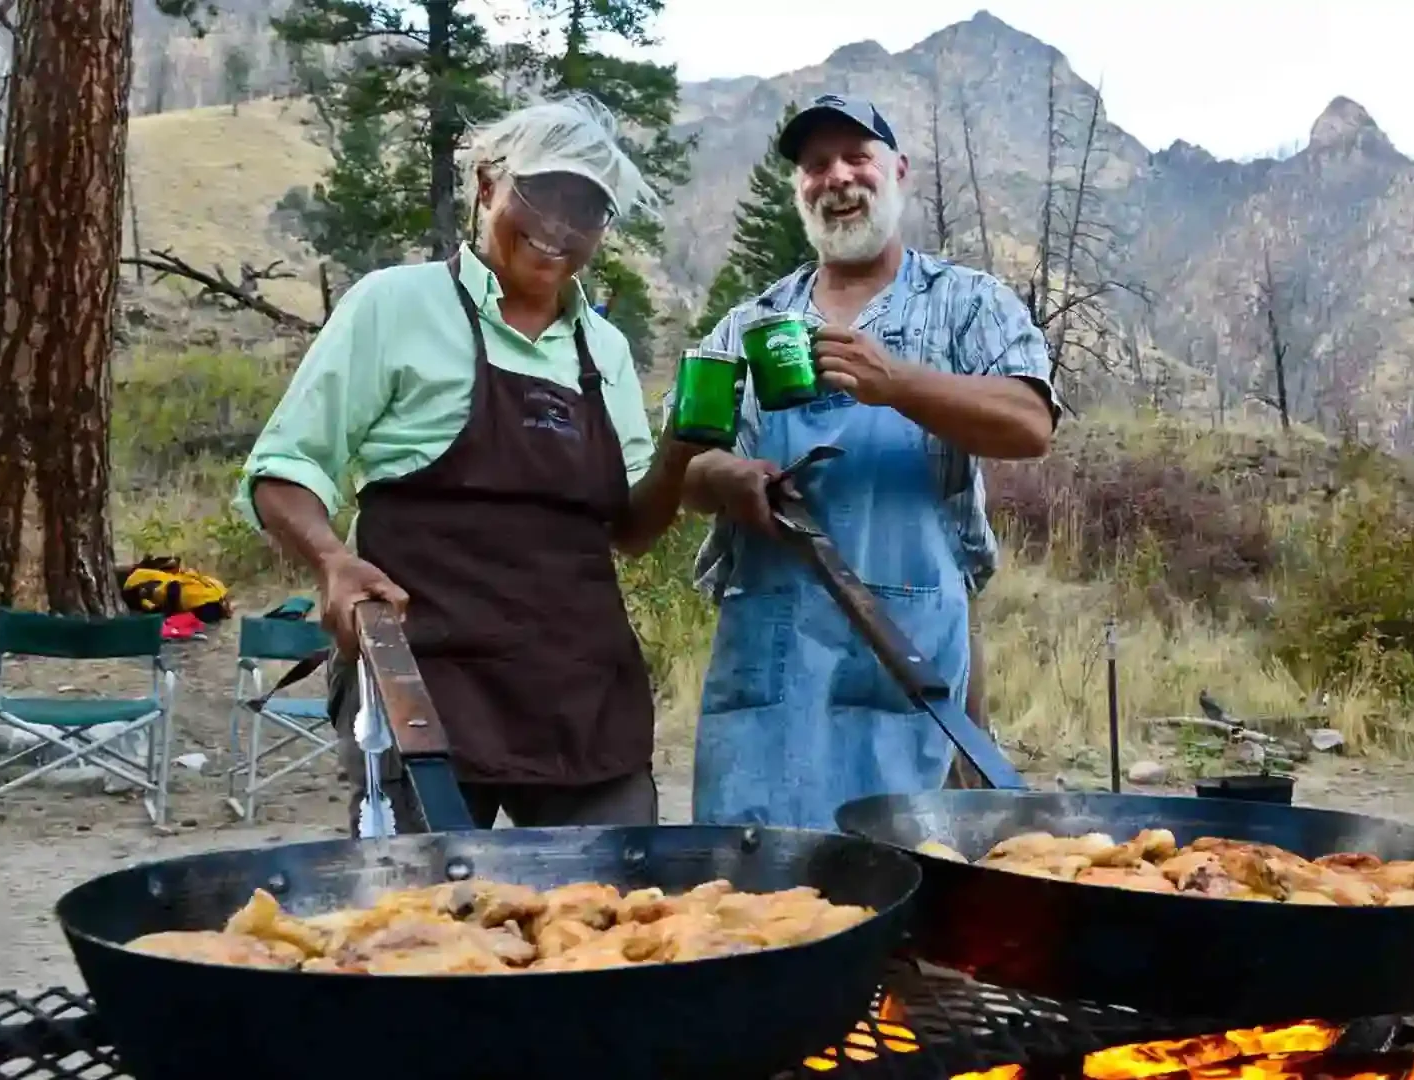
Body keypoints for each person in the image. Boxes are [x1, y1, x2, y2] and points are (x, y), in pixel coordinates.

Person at [234, 93, 704, 833]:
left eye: (586, 210)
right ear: (487, 185)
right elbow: (285, 465)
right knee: (426, 928)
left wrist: (681, 452)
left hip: (580, 689)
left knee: (616, 925)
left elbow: (631, 528)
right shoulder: (395, 305)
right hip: (426, 680)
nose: (559, 227)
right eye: (541, 194)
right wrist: (330, 561)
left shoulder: (605, 353)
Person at [680, 94, 1059, 828]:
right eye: (816, 165)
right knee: (756, 893)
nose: (838, 178)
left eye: (857, 157)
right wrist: (722, 478)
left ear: (899, 172)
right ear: (800, 190)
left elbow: (1030, 424)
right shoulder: (750, 323)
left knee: (906, 878)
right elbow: (685, 468)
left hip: (906, 648)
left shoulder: (966, 305)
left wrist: (898, 384)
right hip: (770, 651)